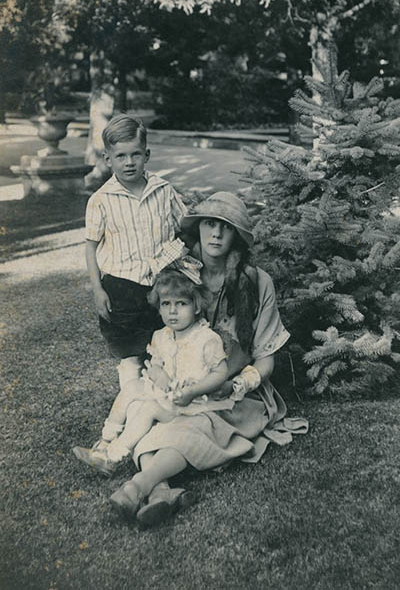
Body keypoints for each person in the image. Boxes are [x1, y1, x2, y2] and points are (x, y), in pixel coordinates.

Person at [109, 191, 308, 528]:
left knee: (192, 426)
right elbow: (163, 340)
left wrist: (235, 384)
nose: (216, 234)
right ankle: (162, 494)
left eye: (225, 228)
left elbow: (265, 362)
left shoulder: (257, 282)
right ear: (198, 228)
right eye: (210, 225)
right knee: (149, 417)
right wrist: (160, 374)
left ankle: (136, 487)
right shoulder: (180, 273)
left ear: (238, 237)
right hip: (181, 387)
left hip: (236, 393)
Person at [79, 113, 187, 458]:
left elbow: (185, 230)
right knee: (130, 359)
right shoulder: (101, 199)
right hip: (121, 288)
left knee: (163, 352)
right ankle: (127, 421)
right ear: (108, 159)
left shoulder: (163, 190)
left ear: (147, 155)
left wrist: (169, 261)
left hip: (162, 288)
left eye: (135, 154)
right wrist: (97, 289)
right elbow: (91, 246)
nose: (128, 163)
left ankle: (158, 420)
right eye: (120, 156)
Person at [73, 268, 235, 476]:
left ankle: (111, 457)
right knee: (132, 388)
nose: (173, 311)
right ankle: (104, 441)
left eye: (181, 304)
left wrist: (193, 391)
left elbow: (220, 373)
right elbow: (157, 362)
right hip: (166, 392)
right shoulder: (161, 336)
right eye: (166, 304)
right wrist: (158, 372)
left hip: (192, 403)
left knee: (149, 409)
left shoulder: (206, 338)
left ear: (196, 307)